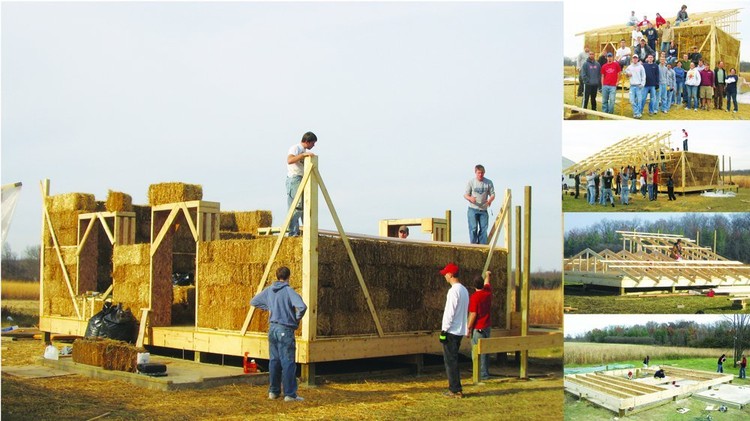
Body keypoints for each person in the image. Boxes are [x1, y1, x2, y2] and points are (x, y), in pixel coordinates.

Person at [250, 266, 308, 402]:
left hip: (273, 329)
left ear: (277, 276)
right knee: (288, 362)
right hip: (285, 329)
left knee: (274, 361)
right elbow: (302, 307)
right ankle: (289, 394)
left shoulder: (270, 290)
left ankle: (273, 392)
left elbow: (254, 301)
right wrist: (296, 318)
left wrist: (270, 307)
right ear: (289, 276)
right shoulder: (288, 291)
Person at [439, 262, 469, 398]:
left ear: (451, 275)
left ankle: (455, 390)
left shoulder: (453, 291)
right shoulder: (464, 290)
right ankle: (456, 388)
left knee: (450, 361)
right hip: (460, 330)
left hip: (451, 331)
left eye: (446, 274)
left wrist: (444, 330)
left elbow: (449, 312)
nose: (444, 276)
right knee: (454, 359)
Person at [286, 132, 317, 237]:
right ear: (307, 141)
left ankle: (303, 231)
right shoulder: (296, 148)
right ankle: (293, 232)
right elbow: (290, 160)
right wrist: (303, 155)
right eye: (313, 143)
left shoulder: (303, 151)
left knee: (303, 206)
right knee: (297, 206)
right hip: (295, 179)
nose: (313, 145)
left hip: (300, 179)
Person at [466, 271, 492, 381]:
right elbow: (487, 283)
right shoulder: (487, 292)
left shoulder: (474, 297)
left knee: (476, 352)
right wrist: (488, 275)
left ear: (473, 285)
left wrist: (468, 328)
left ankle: (480, 374)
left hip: (478, 329)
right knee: (485, 351)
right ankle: (484, 373)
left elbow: (473, 314)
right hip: (487, 327)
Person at [464, 164, 495, 244]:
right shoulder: (471, 182)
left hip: (483, 209)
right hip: (473, 209)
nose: (480, 175)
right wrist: (470, 198)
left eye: (482, 173)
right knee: (473, 228)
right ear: (475, 172)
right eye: (479, 173)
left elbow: (492, 194)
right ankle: (473, 245)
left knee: (483, 229)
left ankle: (482, 245)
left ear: (484, 173)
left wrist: (489, 200)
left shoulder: (488, 182)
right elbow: (465, 195)